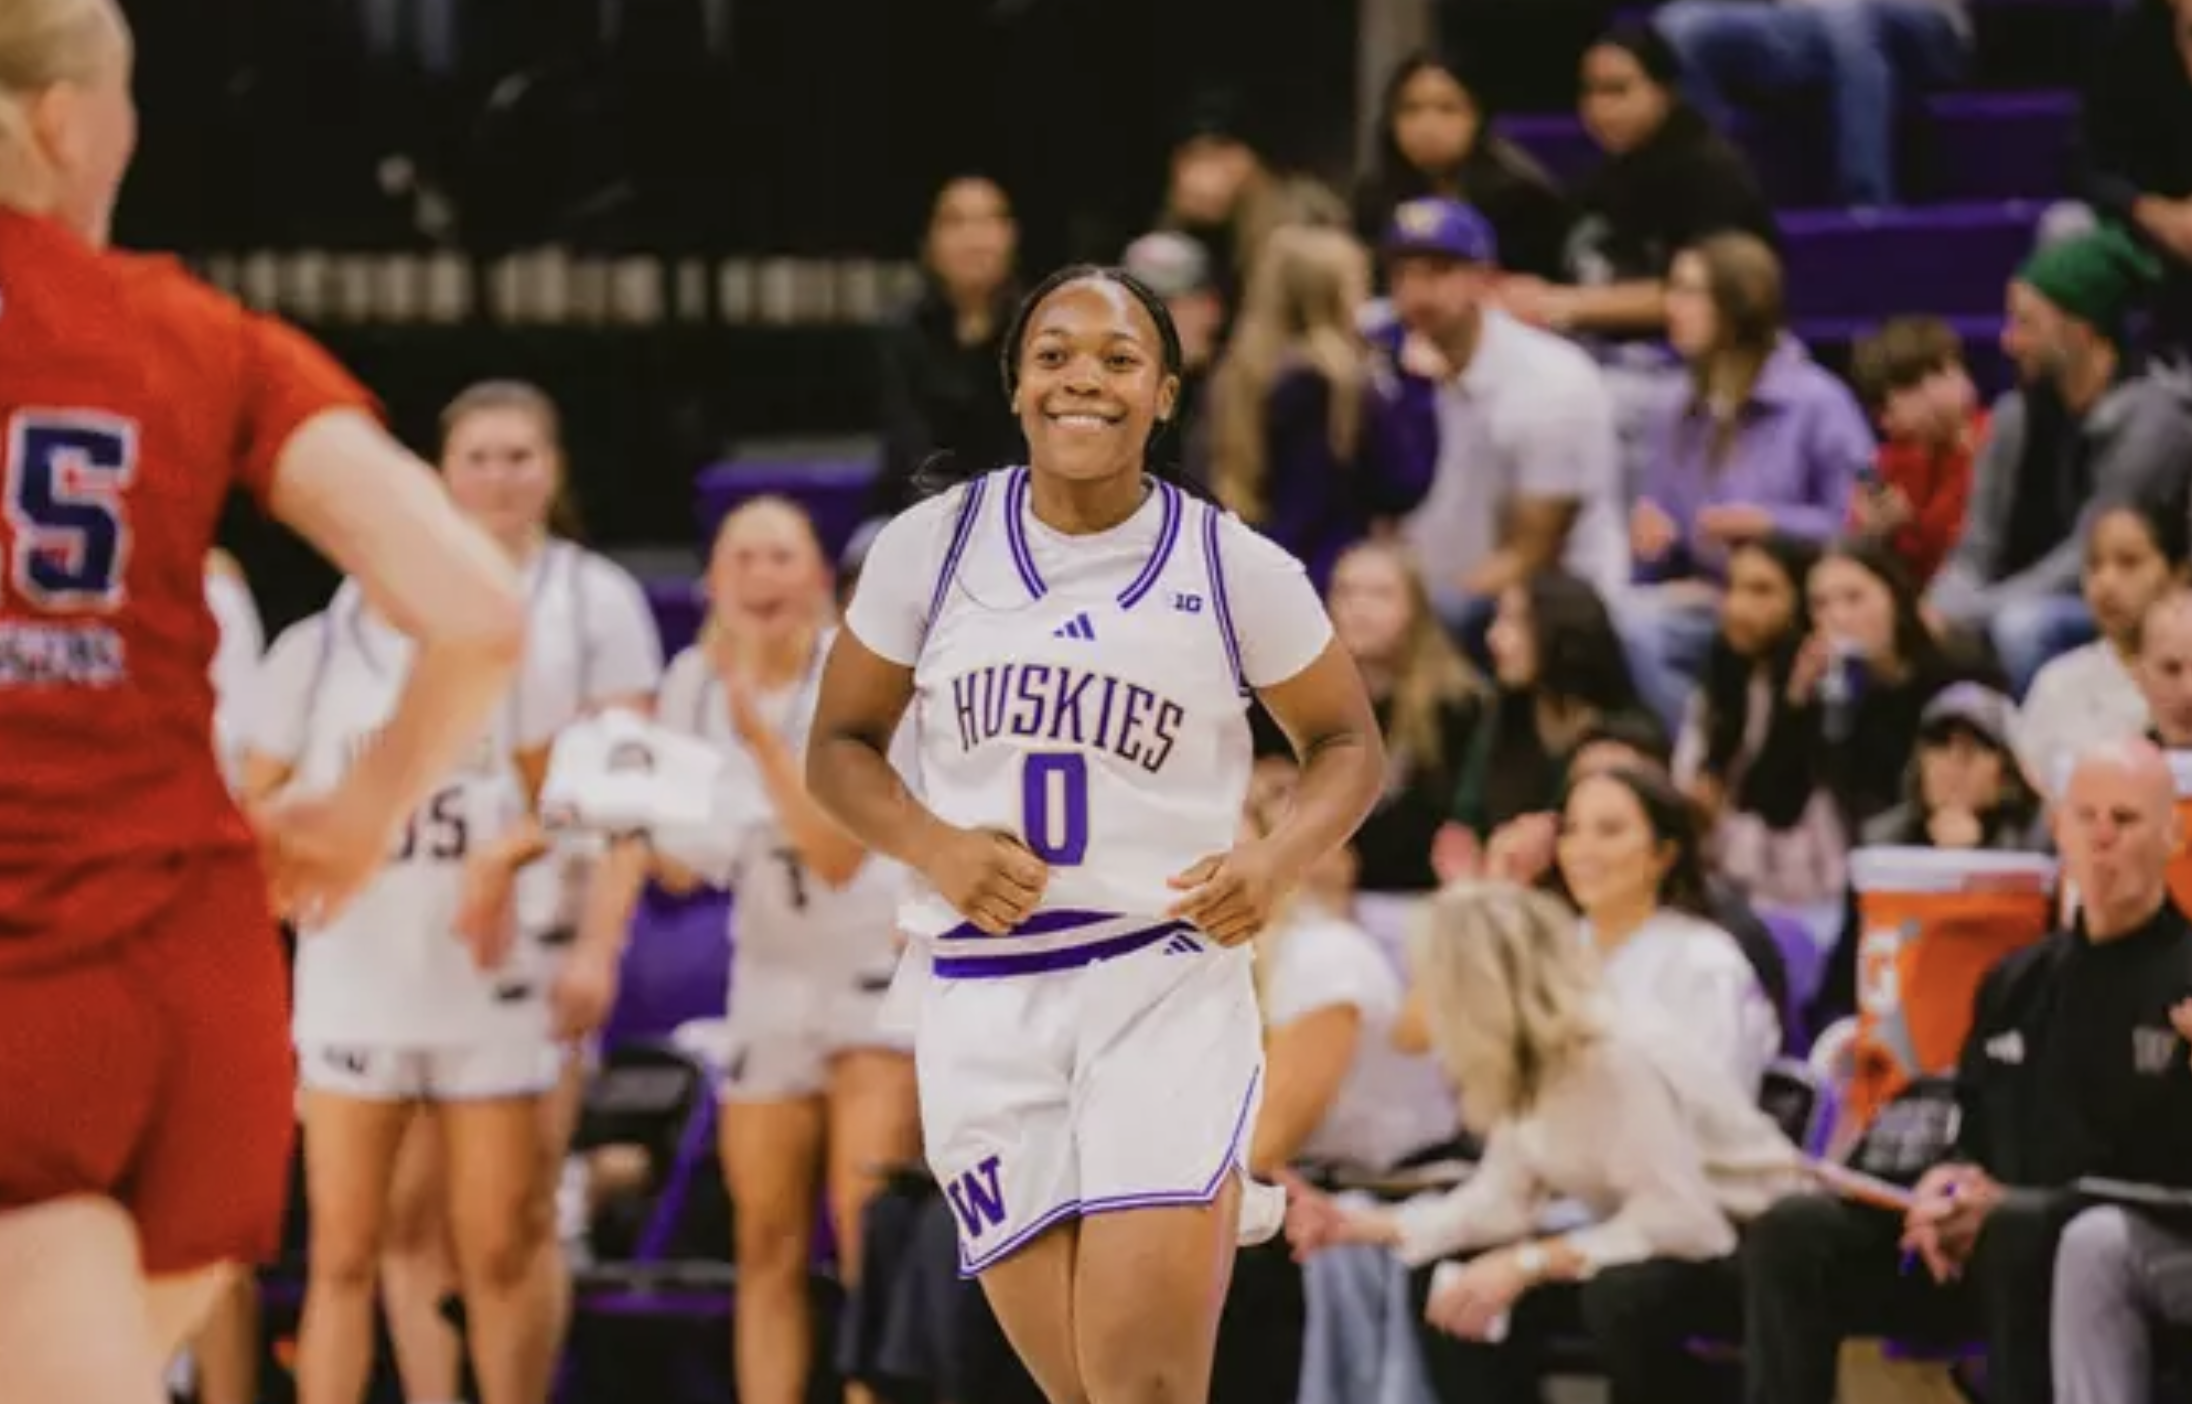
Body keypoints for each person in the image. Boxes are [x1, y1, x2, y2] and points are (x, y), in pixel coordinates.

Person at [0, 5, 526, 1404]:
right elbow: (477, 609)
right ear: (66, 123)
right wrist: (362, 811)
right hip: (183, 989)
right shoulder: (191, 332)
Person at [805, 264, 1386, 1404]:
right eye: (1055, 354)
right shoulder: (928, 548)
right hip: (980, 993)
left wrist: (1273, 862)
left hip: (1157, 978)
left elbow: (1347, 746)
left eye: (1118, 359)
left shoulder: (1231, 563)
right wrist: (933, 844)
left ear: (1164, 393)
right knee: (1077, 1391)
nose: (1085, 379)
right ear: (1015, 386)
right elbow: (838, 746)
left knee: (1147, 1389)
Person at [1742, 737, 2192, 1404]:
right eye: (2084, 817)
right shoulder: (2017, 979)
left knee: (2022, 1231)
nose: (2101, 840)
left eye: (2123, 821)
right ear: (2059, 828)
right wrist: (1942, 1186)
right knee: (1794, 1232)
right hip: (1980, 1239)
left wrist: (2008, 1205)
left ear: (2170, 834)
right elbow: (1973, 1126)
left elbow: (2168, 1185)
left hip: (2089, 1244)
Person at [372, 381, 664, 1404]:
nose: (498, 476)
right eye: (477, 458)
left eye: (518, 456)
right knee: (403, 1217)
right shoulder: (386, 593)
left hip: (539, 936)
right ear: (438, 476)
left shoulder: (597, 598)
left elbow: (629, 792)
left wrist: (597, 945)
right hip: (409, 933)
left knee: (512, 1216)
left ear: (555, 471)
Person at [1283, 881, 1804, 1404]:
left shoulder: (1610, 1056)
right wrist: (1358, 1226)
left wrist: (1526, 1263)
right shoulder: (1527, 1059)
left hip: (1755, 1252)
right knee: (1452, 1280)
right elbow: (1502, 1198)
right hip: (1666, 1240)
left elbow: (1685, 1221)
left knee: (1621, 1295)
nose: (1423, 1000)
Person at [654, 498, 920, 1404]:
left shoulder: (864, 672)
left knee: (863, 1233)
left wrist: (756, 731)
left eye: (781, 557)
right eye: (743, 559)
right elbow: (676, 865)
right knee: (763, 1243)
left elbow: (840, 856)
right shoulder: (689, 681)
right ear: (713, 583)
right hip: (766, 971)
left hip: (870, 969)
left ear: (816, 578)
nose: (762, 577)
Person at [1926, 225, 2192, 695]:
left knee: (2023, 627)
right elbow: (1975, 548)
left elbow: (2087, 557)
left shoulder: (2155, 420)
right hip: (2008, 595)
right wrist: (1932, 611)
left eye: (2027, 323)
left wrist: (1971, 614)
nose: (2009, 342)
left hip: (2117, 602)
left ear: (2081, 329)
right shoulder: (2015, 416)